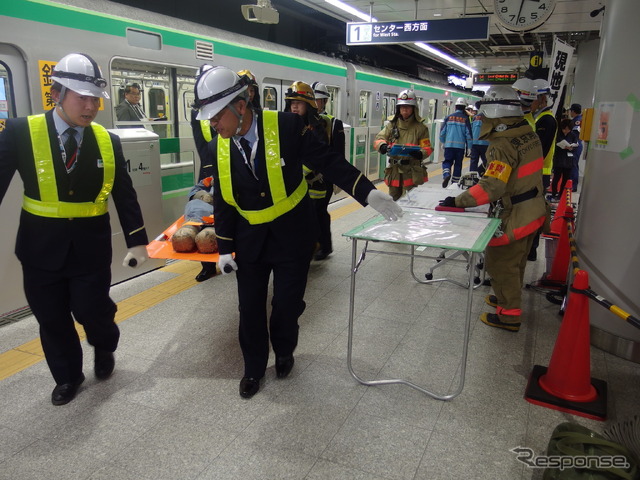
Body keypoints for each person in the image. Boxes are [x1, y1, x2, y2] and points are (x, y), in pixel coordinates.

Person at [193, 66, 401, 398]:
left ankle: (285, 349)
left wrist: (367, 192)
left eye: (217, 116)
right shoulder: (218, 146)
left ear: (241, 105)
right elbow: (224, 199)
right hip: (249, 239)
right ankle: (254, 368)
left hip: (292, 234)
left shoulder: (286, 126)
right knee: (249, 308)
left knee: (287, 306)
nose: (213, 124)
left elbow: (327, 160)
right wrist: (223, 248)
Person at [0, 53, 149, 405]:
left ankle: (104, 344)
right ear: (57, 94)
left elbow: (124, 194)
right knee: (52, 319)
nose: (90, 106)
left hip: (90, 249)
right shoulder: (21, 132)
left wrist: (138, 241)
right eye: (82, 97)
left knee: (91, 310)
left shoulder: (107, 140)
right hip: (39, 249)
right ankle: (68, 376)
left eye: (95, 98)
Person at [439, 86, 546, 332]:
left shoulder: (502, 143)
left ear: (494, 113)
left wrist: (458, 201)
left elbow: (492, 187)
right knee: (517, 263)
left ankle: (509, 316)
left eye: (483, 114)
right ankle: (505, 299)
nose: (481, 119)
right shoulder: (527, 133)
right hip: (534, 209)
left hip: (516, 214)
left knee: (502, 264)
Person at [373, 89, 433, 201]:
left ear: (413, 109)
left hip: (411, 171)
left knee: (410, 201)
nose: (404, 109)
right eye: (402, 107)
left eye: (408, 107)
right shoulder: (392, 125)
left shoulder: (421, 128)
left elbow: (427, 147)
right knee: (392, 200)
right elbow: (379, 139)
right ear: (398, 109)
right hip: (394, 170)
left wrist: (420, 154)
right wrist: (382, 146)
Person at [310, 80, 346, 260]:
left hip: (325, 178)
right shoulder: (301, 121)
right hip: (305, 179)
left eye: (317, 100)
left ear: (324, 102)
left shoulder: (333, 124)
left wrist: (336, 178)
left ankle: (324, 246)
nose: (314, 104)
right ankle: (313, 245)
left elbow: (338, 154)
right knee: (310, 212)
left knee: (319, 211)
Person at [527, 78, 558, 261]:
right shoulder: (541, 118)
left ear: (542, 99)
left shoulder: (546, 120)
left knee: (533, 212)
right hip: (538, 173)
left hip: (539, 174)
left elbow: (539, 151)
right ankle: (530, 249)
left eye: (532, 98)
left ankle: (531, 249)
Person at [439, 97, 472, 187]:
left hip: (449, 145)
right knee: (458, 164)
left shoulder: (448, 118)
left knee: (447, 162)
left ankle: (446, 174)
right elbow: (468, 134)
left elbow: (442, 133)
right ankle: (454, 183)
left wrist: (443, 142)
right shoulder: (465, 119)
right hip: (460, 147)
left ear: (455, 107)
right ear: (464, 107)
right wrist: (469, 147)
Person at [551, 118, 579, 200]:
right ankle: (554, 193)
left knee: (565, 179)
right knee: (556, 177)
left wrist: (571, 147)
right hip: (559, 158)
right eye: (564, 129)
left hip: (568, 160)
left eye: (568, 129)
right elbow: (556, 144)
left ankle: (561, 194)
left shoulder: (573, 135)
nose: (566, 131)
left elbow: (576, 146)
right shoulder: (558, 134)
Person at [469, 101, 489, 177]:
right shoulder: (489, 118)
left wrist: (469, 145)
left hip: (475, 143)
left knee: (473, 162)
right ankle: (485, 176)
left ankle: (472, 178)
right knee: (486, 161)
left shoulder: (475, 118)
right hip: (486, 143)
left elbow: (471, 130)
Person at [568, 103, 583, 192]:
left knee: (573, 165)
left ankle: (573, 186)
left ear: (573, 111)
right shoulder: (578, 119)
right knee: (573, 165)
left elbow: (574, 135)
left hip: (575, 145)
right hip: (576, 145)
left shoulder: (577, 121)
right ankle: (571, 184)